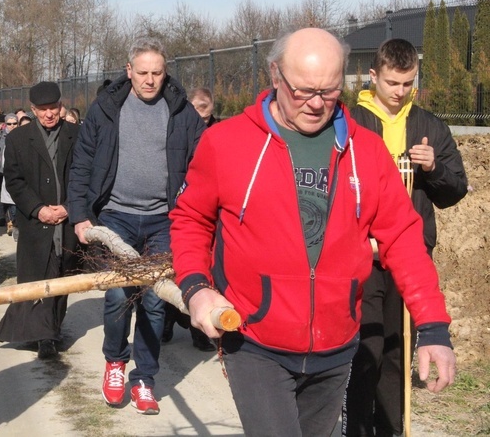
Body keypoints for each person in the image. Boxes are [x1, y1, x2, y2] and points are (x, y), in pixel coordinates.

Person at [169, 28, 456, 436]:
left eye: (330, 90)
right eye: (303, 91)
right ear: (275, 75)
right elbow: (190, 219)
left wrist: (432, 326)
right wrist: (196, 288)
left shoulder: (368, 153)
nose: (317, 104)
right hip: (254, 340)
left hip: (337, 346)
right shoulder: (225, 143)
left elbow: (405, 240)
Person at [68, 37, 205, 414]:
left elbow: (204, 164)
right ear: (129, 71)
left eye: (156, 73)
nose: (149, 80)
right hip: (115, 217)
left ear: (165, 71)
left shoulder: (182, 111)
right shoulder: (105, 109)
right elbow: (82, 163)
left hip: (164, 220)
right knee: (115, 296)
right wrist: (80, 214)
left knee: (154, 300)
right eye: (142, 73)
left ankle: (144, 378)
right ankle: (115, 361)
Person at [343, 39, 468, 437]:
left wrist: (434, 170)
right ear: (373, 76)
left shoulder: (429, 125)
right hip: (361, 256)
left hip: (409, 256)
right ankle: (357, 427)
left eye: (408, 83)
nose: (400, 92)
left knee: (397, 351)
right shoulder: (349, 121)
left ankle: (392, 429)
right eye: (393, 83)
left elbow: (455, 190)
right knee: (368, 349)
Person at [0, 82, 80, 359]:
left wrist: (69, 207)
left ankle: (52, 328)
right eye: (42, 110)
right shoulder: (19, 139)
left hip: (66, 221)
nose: (49, 114)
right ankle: (44, 337)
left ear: (61, 106)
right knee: (36, 275)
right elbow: (14, 181)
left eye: (53, 108)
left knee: (62, 274)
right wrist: (38, 209)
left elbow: (84, 177)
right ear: (32, 110)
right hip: (35, 222)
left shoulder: (76, 135)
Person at [162, 87, 219, 352]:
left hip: (210, 206)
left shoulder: (218, 134)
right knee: (177, 268)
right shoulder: (179, 128)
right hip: (182, 201)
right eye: (195, 107)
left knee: (204, 267)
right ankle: (168, 320)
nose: (200, 113)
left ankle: (200, 332)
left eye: (204, 108)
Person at [0, 113, 19, 238]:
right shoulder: (1, 136)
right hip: (3, 171)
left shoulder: (22, 135)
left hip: (18, 172)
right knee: (8, 200)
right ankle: (10, 221)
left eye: (14, 123)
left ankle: (15, 223)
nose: (12, 126)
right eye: (9, 124)